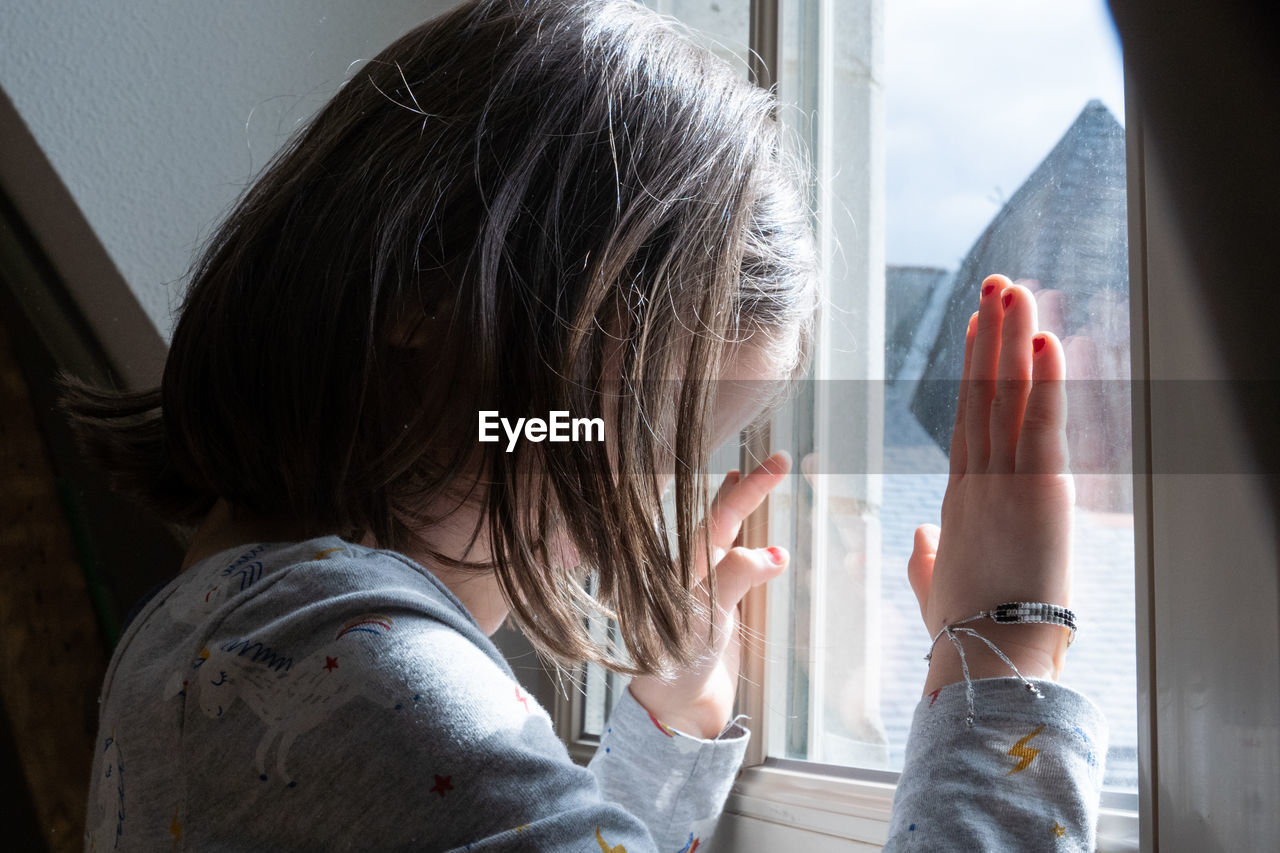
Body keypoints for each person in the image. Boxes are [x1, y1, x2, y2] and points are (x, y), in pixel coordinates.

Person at [65, 0, 1105, 850]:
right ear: (430, 295)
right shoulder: (355, 666)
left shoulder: (198, 639)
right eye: (632, 432)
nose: (630, 505)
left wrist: (669, 730)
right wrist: (1002, 657)